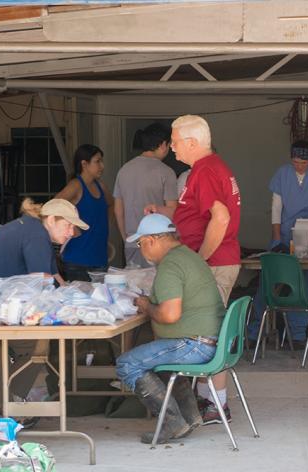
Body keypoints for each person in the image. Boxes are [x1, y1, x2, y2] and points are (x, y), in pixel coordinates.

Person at [146, 115, 241, 425]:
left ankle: (216, 403)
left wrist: (198, 259)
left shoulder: (206, 170)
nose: (171, 148)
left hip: (213, 264)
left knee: (207, 335)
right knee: (207, 332)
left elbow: (221, 218)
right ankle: (207, 400)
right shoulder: (209, 169)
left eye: (174, 142)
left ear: (192, 143)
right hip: (214, 263)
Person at [115, 214, 224, 444]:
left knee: (127, 363)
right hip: (209, 341)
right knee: (157, 360)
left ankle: (172, 421)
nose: (141, 248)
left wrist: (145, 304)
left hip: (195, 344)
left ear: (152, 240)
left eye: (140, 243)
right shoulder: (188, 256)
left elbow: (169, 314)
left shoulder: (170, 265)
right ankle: (190, 417)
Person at [0, 199, 87, 408]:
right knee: (38, 343)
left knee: (24, 344)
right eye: (68, 225)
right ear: (51, 220)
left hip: (1, 306)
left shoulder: (35, 230)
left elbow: (55, 278)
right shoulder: (36, 235)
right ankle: (10, 405)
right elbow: (40, 280)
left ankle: (9, 404)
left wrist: (76, 297)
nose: (72, 232)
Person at [251, 140, 308, 344]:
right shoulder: (282, 174)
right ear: (291, 159)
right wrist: (277, 238)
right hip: (283, 232)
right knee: (268, 283)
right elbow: (276, 208)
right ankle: (254, 331)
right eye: (296, 162)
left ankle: (297, 333)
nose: (300, 166)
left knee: (303, 284)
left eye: (304, 163)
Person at [113, 122, 178, 268]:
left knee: (135, 288)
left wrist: (126, 239)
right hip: (159, 244)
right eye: (169, 145)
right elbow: (172, 210)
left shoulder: (124, 170)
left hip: (133, 241)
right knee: (159, 287)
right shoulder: (166, 172)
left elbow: (118, 210)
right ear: (162, 145)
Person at [55, 144, 112, 281]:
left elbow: (111, 204)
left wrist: (106, 227)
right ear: (84, 164)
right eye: (97, 161)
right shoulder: (75, 185)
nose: (102, 166)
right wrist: (70, 228)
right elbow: (54, 206)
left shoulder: (101, 185)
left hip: (99, 257)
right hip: (77, 259)